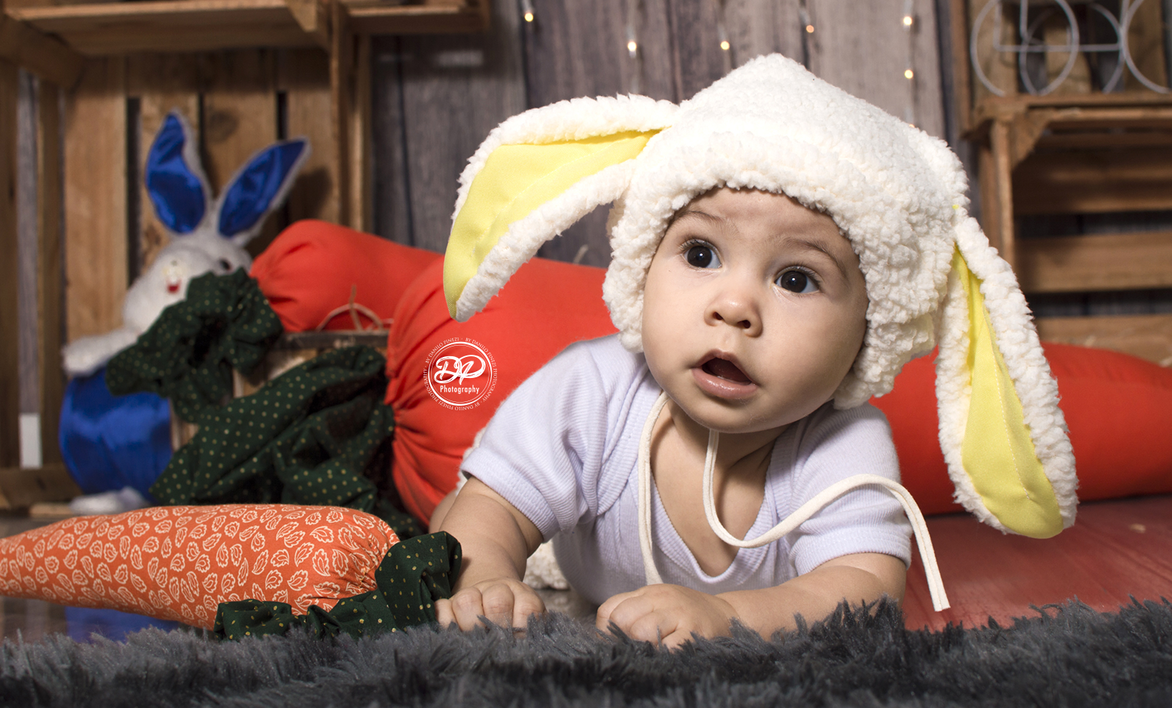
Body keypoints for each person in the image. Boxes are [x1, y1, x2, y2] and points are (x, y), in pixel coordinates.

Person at [430, 54, 1078, 647]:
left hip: (730, 633)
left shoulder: (843, 447)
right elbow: (494, 509)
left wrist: (727, 618)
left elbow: (861, 589)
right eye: (701, 254)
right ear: (642, 267)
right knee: (455, 520)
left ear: (870, 331)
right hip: (585, 595)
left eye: (796, 279)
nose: (733, 306)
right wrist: (486, 575)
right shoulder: (589, 389)